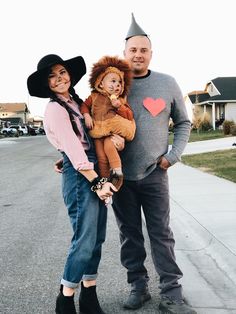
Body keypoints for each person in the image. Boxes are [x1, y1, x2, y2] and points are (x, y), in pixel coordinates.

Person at [112, 14, 197, 314]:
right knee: (130, 234)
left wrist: (173, 155)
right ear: (124, 53)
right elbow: (91, 124)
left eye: (143, 50)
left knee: (161, 233)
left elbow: (183, 122)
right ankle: (138, 287)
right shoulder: (113, 85)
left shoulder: (167, 83)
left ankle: (172, 293)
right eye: (132, 50)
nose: (138, 54)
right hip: (120, 176)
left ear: (151, 53)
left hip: (154, 173)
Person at [27, 54, 118, 314]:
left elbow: (80, 140)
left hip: (89, 166)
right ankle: (65, 298)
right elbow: (72, 149)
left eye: (62, 72)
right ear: (47, 84)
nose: (59, 78)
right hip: (83, 174)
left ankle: (89, 294)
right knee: (85, 237)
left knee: (97, 236)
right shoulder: (55, 108)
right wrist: (97, 181)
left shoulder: (76, 103)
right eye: (52, 76)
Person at [80, 55, 136, 190]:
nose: (116, 85)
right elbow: (84, 106)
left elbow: (129, 116)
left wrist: (119, 107)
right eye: (113, 81)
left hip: (111, 131)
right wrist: (86, 115)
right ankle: (105, 180)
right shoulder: (94, 96)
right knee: (101, 156)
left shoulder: (119, 100)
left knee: (109, 147)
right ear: (100, 83)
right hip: (97, 131)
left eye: (119, 83)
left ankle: (117, 172)